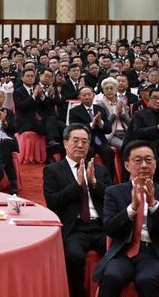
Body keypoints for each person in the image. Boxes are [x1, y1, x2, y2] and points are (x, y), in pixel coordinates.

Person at [95, 141, 159, 297]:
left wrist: (154, 206)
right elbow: (110, 228)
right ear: (127, 165)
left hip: (153, 254)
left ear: (155, 165)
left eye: (149, 160)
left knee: (145, 280)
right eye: (138, 160)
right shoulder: (114, 192)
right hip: (123, 252)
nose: (144, 165)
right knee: (111, 276)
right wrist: (132, 208)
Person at [43, 124, 109, 297]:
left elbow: (111, 198)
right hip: (75, 227)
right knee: (74, 256)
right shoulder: (53, 170)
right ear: (65, 143)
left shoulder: (99, 169)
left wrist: (94, 183)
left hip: (101, 225)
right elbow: (52, 202)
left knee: (118, 251)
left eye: (85, 142)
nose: (80, 145)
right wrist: (77, 185)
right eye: (76, 141)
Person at [70, 86, 116, 184]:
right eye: (84, 95)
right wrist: (91, 124)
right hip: (84, 141)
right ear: (79, 97)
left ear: (93, 96)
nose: (87, 97)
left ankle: (108, 180)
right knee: (89, 152)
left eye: (89, 94)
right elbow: (75, 129)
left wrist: (100, 123)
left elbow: (108, 129)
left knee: (108, 151)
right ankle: (87, 179)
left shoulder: (100, 109)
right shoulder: (74, 111)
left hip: (99, 140)